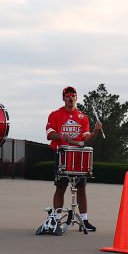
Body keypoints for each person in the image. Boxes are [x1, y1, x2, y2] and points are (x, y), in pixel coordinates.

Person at [45, 85, 100, 231]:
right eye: (67, 95)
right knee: (61, 187)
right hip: (62, 153)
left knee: (81, 188)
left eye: (73, 95)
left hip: (78, 156)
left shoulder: (83, 117)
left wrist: (95, 132)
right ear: (63, 98)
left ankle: (84, 220)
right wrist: (62, 136)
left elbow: (86, 138)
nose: (70, 97)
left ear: (76, 98)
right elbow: (49, 134)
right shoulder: (55, 114)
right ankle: (56, 219)